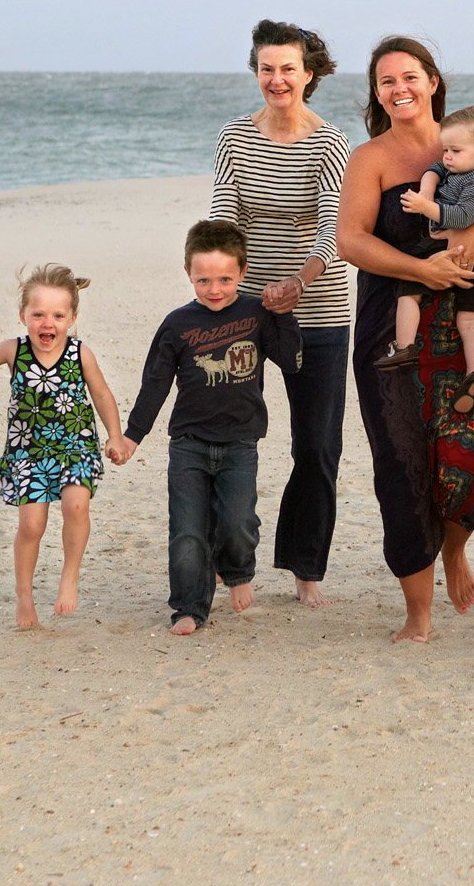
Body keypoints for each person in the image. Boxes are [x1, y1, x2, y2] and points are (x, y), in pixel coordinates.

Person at [338, 36, 474, 643]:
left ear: (432, 82)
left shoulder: (471, 138)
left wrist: (468, 239)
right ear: (377, 93)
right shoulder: (368, 157)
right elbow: (350, 241)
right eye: (386, 81)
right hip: (393, 323)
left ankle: (455, 546)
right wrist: (422, 270)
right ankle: (417, 612)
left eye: (410, 77)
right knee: (402, 460)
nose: (400, 89)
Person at [208, 20, 352, 607]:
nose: (277, 79)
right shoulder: (234, 138)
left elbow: (332, 227)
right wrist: (222, 285)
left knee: (316, 445)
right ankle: (229, 561)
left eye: (288, 68)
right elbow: (224, 218)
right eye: (267, 68)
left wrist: (298, 280)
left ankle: (305, 565)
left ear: (308, 74)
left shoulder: (330, 142)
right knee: (227, 437)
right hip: (244, 310)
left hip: (319, 308)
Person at [112, 220, 303, 636]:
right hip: (188, 446)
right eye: (203, 280)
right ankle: (188, 606)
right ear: (187, 274)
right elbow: (155, 384)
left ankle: (235, 572)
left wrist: (284, 316)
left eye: (224, 279)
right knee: (186, 532)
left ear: (243, 271)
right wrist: (132, 435)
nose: (214, 289)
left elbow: (291, 361)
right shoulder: (178, 323)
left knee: (238, 522)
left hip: (240, 443)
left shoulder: (258, 313)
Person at [0, 264, 124, 627]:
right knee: (32, 526)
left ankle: (69, 576)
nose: (48, 323)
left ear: (72, 318)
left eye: (58, 316)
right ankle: (24, 595)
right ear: (23, 316)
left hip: (74, 445)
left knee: (76, 503)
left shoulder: (81, 354)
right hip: (28, 451)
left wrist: (115, 435)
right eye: (39, 315)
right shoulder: (13, 350)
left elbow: (102, 395)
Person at [377, 98, 474, 416]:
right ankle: (457, 367)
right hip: (460, 249)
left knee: (419, 294)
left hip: (466, 252)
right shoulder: (465, 164)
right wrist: (428, 186)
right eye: (446, 149)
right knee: (464, 316)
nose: (446, 157)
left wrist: (425, 206)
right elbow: (436, 169)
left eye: (455, 151)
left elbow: (463, 216)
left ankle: (416, 352)